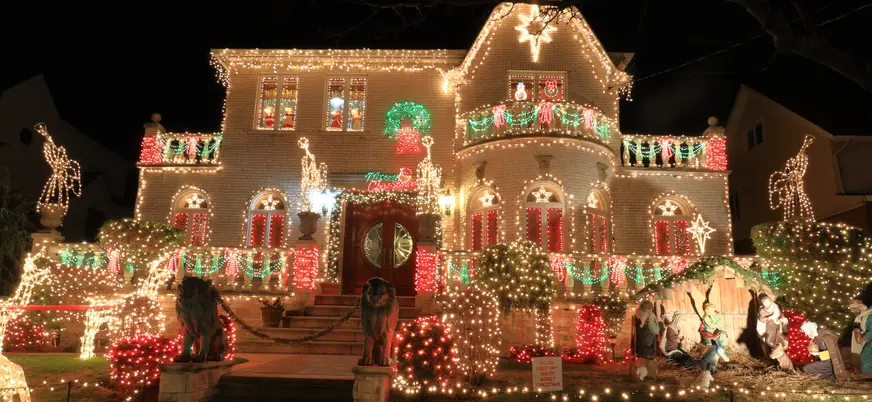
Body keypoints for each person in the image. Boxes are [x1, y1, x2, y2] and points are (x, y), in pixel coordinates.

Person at [633, 300, 660, 381]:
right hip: (647, 340)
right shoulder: (649, 316)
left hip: (640, 339)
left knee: (642, 357)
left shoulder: (638, 313)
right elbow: (654, 330)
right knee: (646, 357)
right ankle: (644, 374)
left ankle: (639, 372)